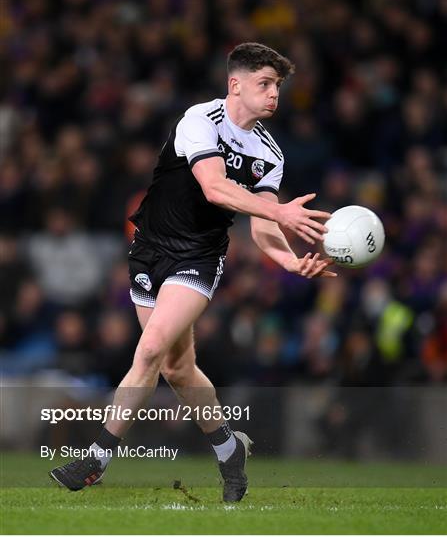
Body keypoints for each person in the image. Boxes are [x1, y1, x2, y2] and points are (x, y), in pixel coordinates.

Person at [50, 42, 336, 502]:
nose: (273, 94)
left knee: (149, 351)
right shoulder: (200, 119)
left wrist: (287, 259)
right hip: (148, 249)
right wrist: (281, 214)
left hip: (198, 258)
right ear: (235, 84)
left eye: (277, 86)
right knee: (178, 368)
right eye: (264, 83)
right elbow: (215, 186)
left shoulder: (270, 153)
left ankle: (95, 460)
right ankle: (229, 449)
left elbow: (263, 226)